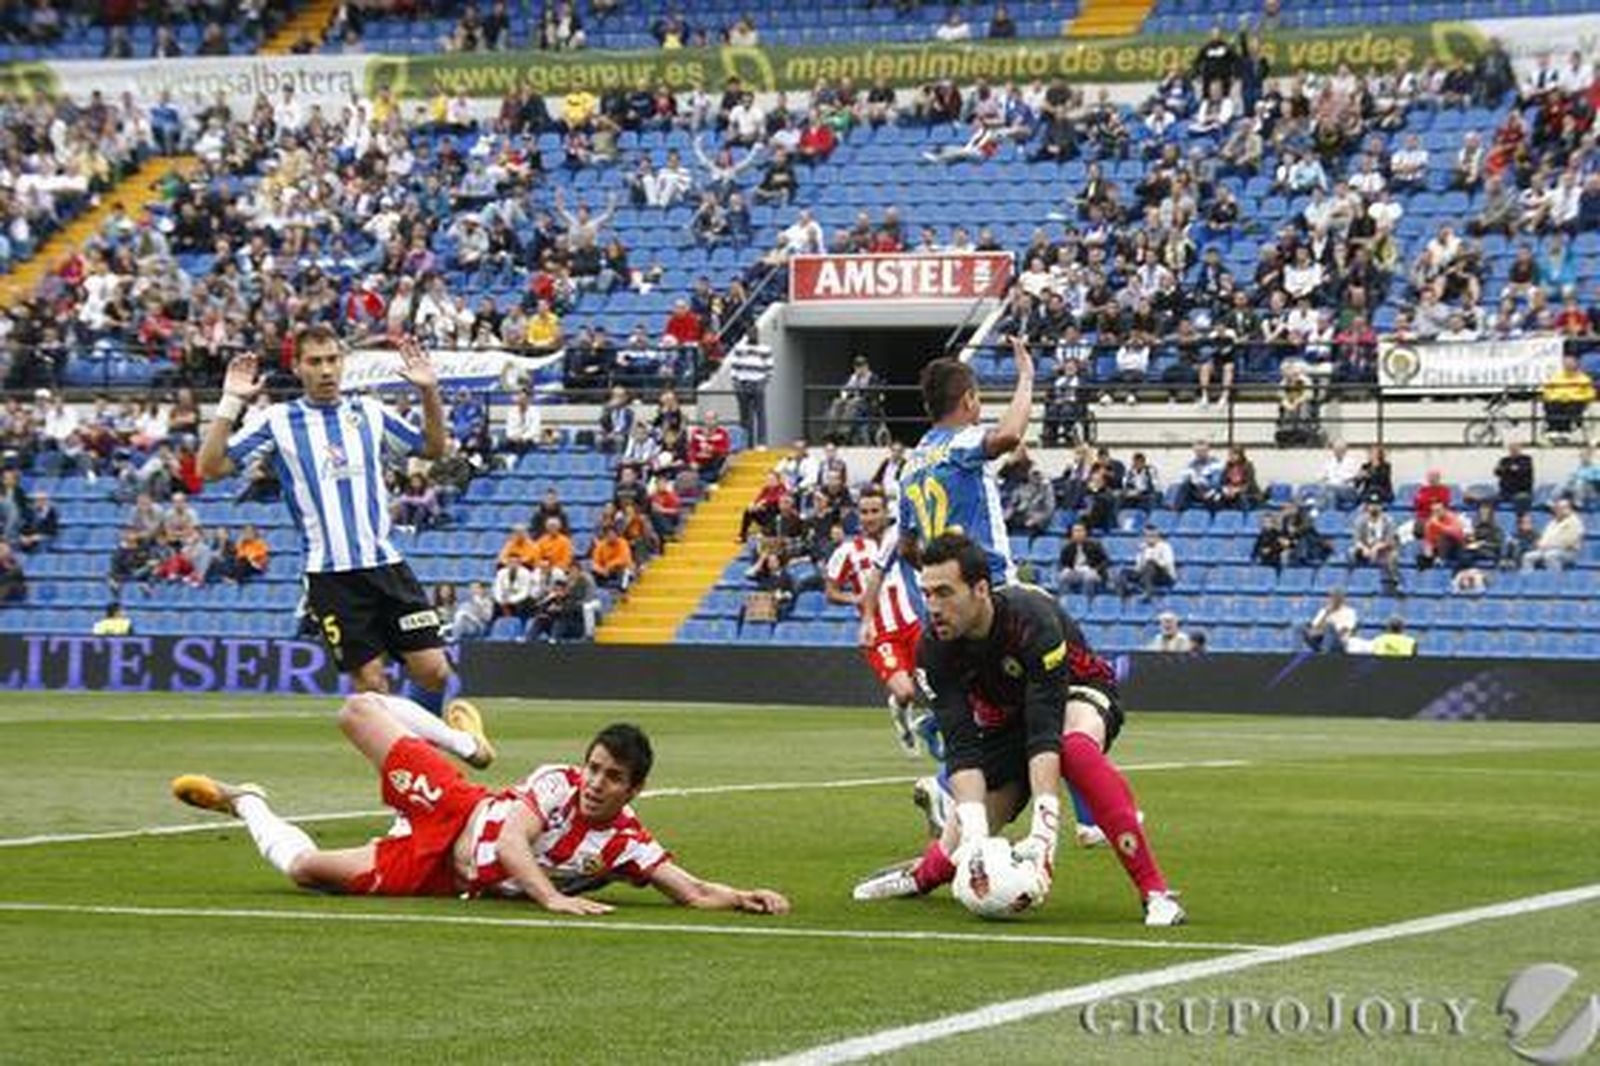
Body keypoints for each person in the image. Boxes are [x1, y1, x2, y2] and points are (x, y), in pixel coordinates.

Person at [172, 695, 789, 915]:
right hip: (456, 808)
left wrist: (743, 897)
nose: (595, 782)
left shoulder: (626, 842)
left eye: (612, 777)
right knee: (357, 709)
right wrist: (551, 897)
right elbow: (512, 841)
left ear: (635, 790)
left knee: (306, 873)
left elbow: (691, 891)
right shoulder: (556, 782)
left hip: (439, 873)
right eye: (594, 767)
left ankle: (247, 800)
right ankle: (465, 744)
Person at [851, 534, 1184, 927]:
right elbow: (962, 748)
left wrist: (1044, 834)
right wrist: (974, 836)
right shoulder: (933, 649)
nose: (934, 607)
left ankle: (1156, 893)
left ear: (980, 590)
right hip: (1008, 720)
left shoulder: (1031, 620)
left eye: (944, 592)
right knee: (955, 851)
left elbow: (1044, 732)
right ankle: (921, 877)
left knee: (1072, 748)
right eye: (927, 594)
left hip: (1076, 692)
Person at [196, 327, 464, 718]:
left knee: (434, 672)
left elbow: (434, 448)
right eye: (315, 362)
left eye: (332, 360)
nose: (326, 370)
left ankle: (425, 754)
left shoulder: (369, 413)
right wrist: (230, 401)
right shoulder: (279, 421)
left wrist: (428, 391)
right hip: (330, 577)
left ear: (343, 363)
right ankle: (409, 770)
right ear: (297, 366)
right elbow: (209, 467)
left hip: (385, 565)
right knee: (371, 686)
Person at [1116, 526, 1178, 601]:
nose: (1149, 538)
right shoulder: (1143, 547)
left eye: (1152, 536)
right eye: (1147, 536)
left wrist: (1155, 559)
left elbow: (1168, 564)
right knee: (1124, 572)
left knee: (1150, 564)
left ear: (1157, 536)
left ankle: (1148, 592)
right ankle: (1125, 594)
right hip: (1146, 574)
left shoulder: (1165, 546)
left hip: (1164, 575)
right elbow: (1138, 567)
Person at [1522, 498, 1585, 571]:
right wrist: (1541, 544)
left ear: (1569, 509)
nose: (1558, 510)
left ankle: (1556, 580)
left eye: (1562, 508)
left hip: (1568, 552)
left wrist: (1548, 545)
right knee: (1527, 556)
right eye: (1557, 508)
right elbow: (1544, 537)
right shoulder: (1553, 522)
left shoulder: (1575, 522)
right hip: (1547, 549)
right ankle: (1529, 580)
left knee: (1551, 555)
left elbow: (1568, 542)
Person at [1542, 351, 1594, 438]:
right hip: (1557, 400)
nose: (1568, 365)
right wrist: (1555, 397)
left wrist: (1573, 397)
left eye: (1571, 362)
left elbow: (1590, 394)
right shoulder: (1556, 377)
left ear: (1576, 364)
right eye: (1566, 362)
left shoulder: (1584, 378)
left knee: (1570, 407)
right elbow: (1547, 391)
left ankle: (1566, 430)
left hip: (1575, 401)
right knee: (1551, 405)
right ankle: (1553, 430)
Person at [1056, 521, 1110, 599]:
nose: (1078, 533)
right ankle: (1065, 600)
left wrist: (1096, 570)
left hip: (1091, 572)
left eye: (1080, 531)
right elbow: (1062, 562)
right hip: (1075, 572)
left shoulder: (1095, 545)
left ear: (1085, 533)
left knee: (1089, 577)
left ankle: (1087, 601)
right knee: (1063, 576)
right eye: (1075, 531)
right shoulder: (1067, 547)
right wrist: (1066, 568)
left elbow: (1106, 561)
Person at [1303, 588, 1357, 653]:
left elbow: (1345, 629)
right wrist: (1326, 613)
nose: (1331, 599)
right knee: (1302, 629)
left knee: (1330, 626)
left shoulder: (1349, 612)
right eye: (1330, 597)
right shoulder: (1325, 610)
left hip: (1340, 640)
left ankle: (1325, 652)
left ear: (1340, 599)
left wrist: (1327, 630)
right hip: (1322, 638)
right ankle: (1321, 651)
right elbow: (1315, 626)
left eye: (1334, 597)